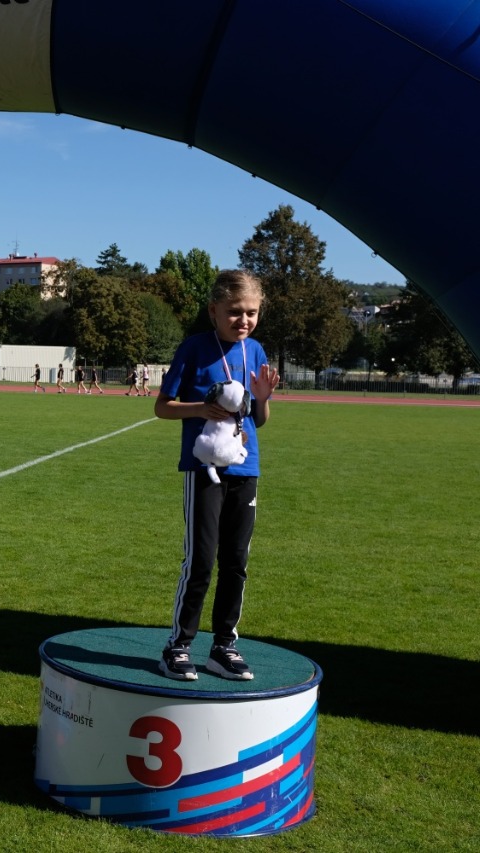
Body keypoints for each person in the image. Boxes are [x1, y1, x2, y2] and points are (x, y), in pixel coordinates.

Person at [154, 269, 279, 682]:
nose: (244, 320)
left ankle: (224, 647)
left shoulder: (255, 351)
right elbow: (162, 406)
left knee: (236, 562)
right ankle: (178, 646)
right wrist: (199, 409)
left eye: (252, 313)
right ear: (214, 311)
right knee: (202, 560)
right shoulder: (194, 348)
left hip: (246, 467)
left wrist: (263, 400)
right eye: (235, 312)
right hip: (204, 469)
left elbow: (258, 419)